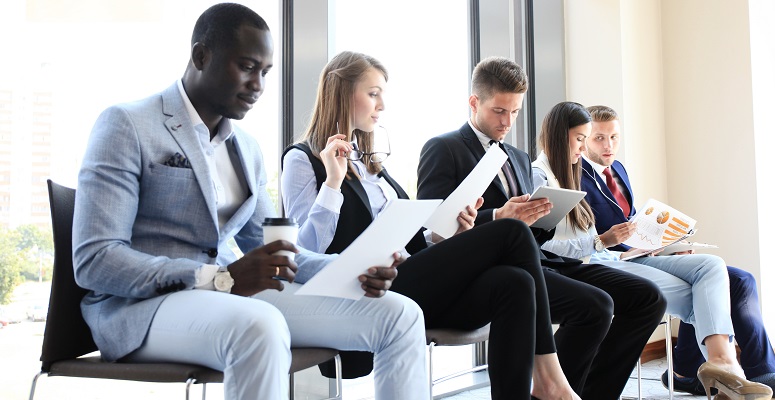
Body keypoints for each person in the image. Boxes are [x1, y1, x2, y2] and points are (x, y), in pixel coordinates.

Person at [72, 5, 428, 399]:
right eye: (246, 67)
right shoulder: (127, 124)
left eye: (265, 72)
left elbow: (275, 252)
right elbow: (95, 260)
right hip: (140, 310)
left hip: (235, 298)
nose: (257, 84)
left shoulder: (247, 148)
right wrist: (219, 279)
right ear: (201, 56)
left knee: (400, 314)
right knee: (260, 325)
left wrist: (352, 269)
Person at [281, 50, 579, 400]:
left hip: (406, 273)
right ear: (342, 93)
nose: (382, 105)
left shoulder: (374, 166)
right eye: (373, 93)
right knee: (511, 231)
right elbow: (305, 250)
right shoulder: (303, 159)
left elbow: (408, 238)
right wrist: (332, 183)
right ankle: (550, 381)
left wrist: (440, 235)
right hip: (364, 285)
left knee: (512, 283)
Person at [417, 56, 667, 400]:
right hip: (491, 271)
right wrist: (494, 217)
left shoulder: (517, 158)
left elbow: (531, 233)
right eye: (499, 111)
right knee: (596, 307)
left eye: (515, 112)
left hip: (543, 261)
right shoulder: (443, 149)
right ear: (474, 103)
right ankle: (552, 390)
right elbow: (431, 231)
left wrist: (544, 214)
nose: (508, 121)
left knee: (648, 298)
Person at [528, 101, 773, 400]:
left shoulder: (573, 171)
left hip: (616, 255)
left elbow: (590, 236)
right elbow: (544, 244)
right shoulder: (542, 176)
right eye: (583, 139)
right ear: (559, 136)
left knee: (712, 266)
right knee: (700, 293)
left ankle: (724, 364)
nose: (586, 147)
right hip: (593, 263)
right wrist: (602, 241)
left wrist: (659, 245)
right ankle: (723, 374)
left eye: (590, 138)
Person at [583, 104, 775, 398]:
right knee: (720, 282)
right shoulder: (576, 175)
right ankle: (750, 373)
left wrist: (670, 245)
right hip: (616, 263)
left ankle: (688, 370)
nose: (609, 146)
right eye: (599, 138)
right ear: (584, 138)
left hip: (646, 255)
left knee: (739, 278)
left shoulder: (618, 169)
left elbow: (631, 222)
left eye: (614, 137)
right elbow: (590, 237)